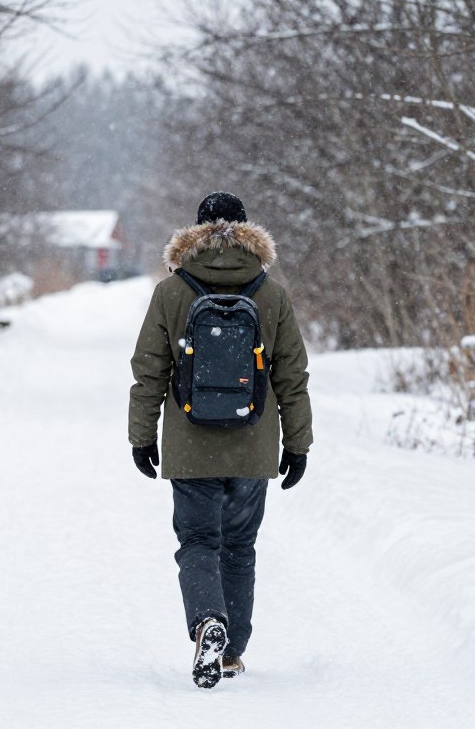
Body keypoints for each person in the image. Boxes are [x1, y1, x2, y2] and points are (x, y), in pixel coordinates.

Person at [128, 192, 313, 689]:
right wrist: (297, 444)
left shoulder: (171, 292)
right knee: (239, 547)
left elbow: (149, 371)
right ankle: (230, 653)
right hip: (252, 445)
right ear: (248, 230)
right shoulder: (269, 293)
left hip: (191, 447)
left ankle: (207, 620)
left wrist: (142, 437)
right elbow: (293, 375)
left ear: (195, 231)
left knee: (198, 541)